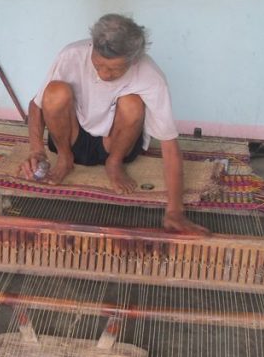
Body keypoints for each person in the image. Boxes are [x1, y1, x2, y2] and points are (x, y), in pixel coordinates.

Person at [19, 14, 208, 234]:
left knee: (132, 102)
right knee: (54, 92)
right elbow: (37, 105)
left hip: (116, 143)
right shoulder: (71, 55)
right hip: (72, 137)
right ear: (92, 47)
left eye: (116, 69)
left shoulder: (150, 75)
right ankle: (65, 158)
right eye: (98, 64)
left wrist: (175, 210)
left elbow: (169, 144)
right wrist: (37, 151)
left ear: (133, 60)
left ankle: (114, 163)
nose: (105, 74)